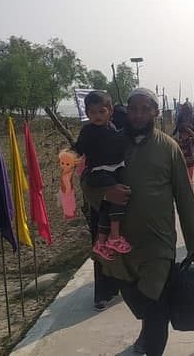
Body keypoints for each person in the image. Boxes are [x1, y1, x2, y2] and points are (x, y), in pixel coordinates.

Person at [83, 87, 194, 356]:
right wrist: (105, 192)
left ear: (155, 112)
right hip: (120, 243)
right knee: (135, 297)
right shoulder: (109, 142)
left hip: (157, 244)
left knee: (156, 305)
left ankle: (151, 345)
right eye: (133, 108)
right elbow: (86, 182)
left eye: (144, 109)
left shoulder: (168, 148)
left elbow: (185, 196)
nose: (137, 114)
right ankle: (147, 333)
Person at [74, 91, 131, 261]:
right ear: (87, 113)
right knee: (119, 196)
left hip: (111, 169)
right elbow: (79, 149)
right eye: (92, 112)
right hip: (99, 172)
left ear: (110, 111)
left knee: (106, 207)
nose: (97, 116)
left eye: (101, 111)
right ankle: (114, 236)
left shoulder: (111, 127)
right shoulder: (88, 131)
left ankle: (101, 242)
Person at [176, 123, 194, 189]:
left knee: (190, 180)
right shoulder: (178, 142)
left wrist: (189, 130)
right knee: (183, 180)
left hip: (191, 163)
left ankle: (191, 193)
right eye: (182, 134)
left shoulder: (190, 140)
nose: (184, 135)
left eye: (185, 133)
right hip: (182, 163)